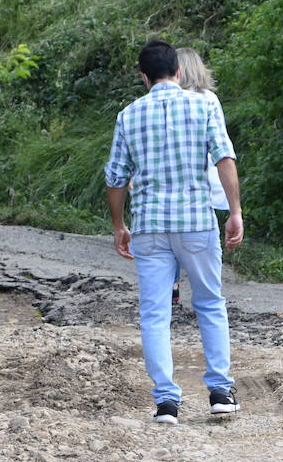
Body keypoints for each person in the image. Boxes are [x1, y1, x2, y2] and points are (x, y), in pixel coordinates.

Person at [104, 39, 244, 424]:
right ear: (178, 72)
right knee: (210, 303)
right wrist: (235, 211)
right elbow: (224, 158)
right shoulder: (205, 104)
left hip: (149, 227)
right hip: (196, 222)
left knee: (154, 313)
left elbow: (115, 179)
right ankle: (219, 392)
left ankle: (166, 401)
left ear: (143, 77)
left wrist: (119, 226)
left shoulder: (128, 115)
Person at [170, 47, 232, 302]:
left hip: (174, 177)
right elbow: (221, 146)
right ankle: (205, 291)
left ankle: (173, 284)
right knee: (203, 235)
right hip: (205, 178)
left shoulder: (170, 99)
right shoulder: (208, 99)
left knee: (170, 232)